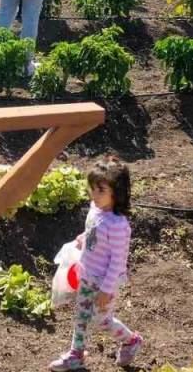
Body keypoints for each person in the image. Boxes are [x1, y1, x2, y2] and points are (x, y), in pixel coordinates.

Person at [49, 159, 143, 371]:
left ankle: (131, 340)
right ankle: (76, 355)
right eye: (92, 188)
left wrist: (106, 290)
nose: (94, 194)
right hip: (87, 274)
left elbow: (117, 261)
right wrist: (84, 238)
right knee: (81, 315)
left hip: (103, 282)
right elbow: (93, 231)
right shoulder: (96, 209)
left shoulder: (118, 225)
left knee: (101, 320)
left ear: (116, 192)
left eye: (101, 190)